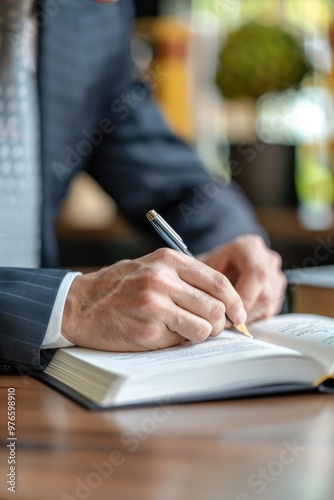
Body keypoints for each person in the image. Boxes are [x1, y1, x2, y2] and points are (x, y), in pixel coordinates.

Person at [0, 0, 286, 374]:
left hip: (31, 386)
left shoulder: (91, 16)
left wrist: (233, 247)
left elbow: (161, 169)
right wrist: (70, 305)